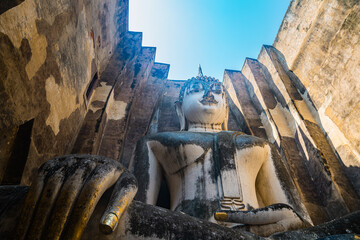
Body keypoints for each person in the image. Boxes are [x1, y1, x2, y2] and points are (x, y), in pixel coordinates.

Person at [6, 73, 311, 240]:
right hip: (183, 231)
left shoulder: (260, 145)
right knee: (88, 209)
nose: (208, 94)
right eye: (196, 89)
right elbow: (137, 205)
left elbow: (301, 220)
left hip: (262, 237)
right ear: (180, 108)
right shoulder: (157, 142)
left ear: (227, 108)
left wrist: (291, 221)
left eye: (216, 91)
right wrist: (105, 177)